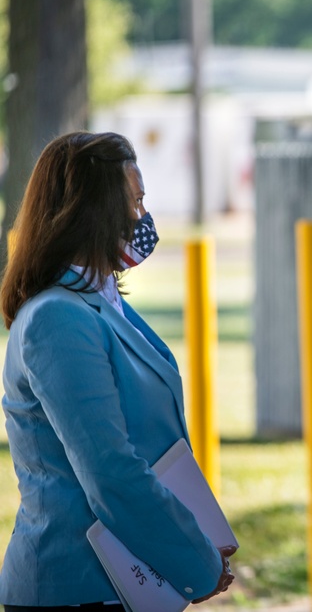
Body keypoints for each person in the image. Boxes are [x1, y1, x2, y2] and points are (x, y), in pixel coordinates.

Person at [0, 132, 236, 609]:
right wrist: (197, 562)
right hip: (74, 587)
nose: (141, 217)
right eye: (136, 200)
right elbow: (110, 471)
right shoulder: (58, 318)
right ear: (94, 209)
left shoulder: (98, 303)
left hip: (121, 585)